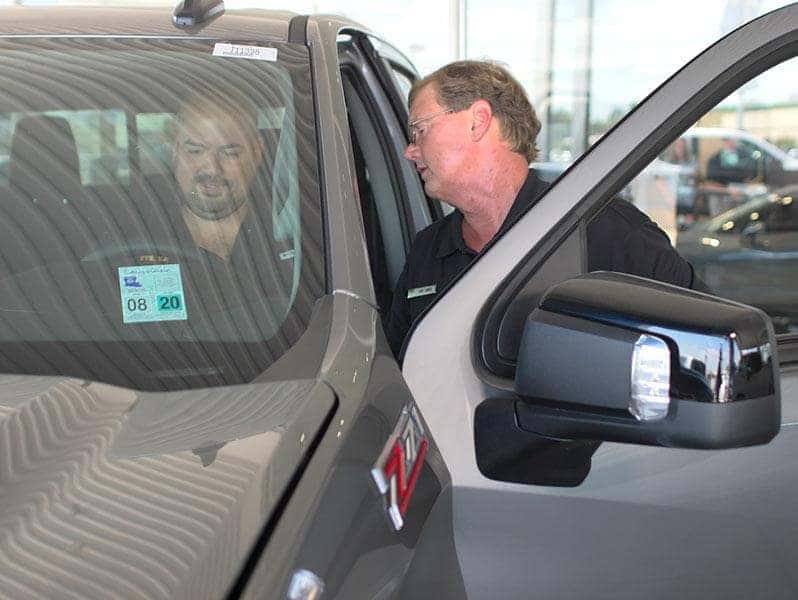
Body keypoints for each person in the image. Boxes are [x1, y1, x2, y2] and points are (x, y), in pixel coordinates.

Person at [385, 60, 708, 358]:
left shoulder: (609, 234)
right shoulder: (428, 250)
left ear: (478, 121)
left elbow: (703, 345)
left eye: (419, 131)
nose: (410, 151)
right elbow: (397, 374)